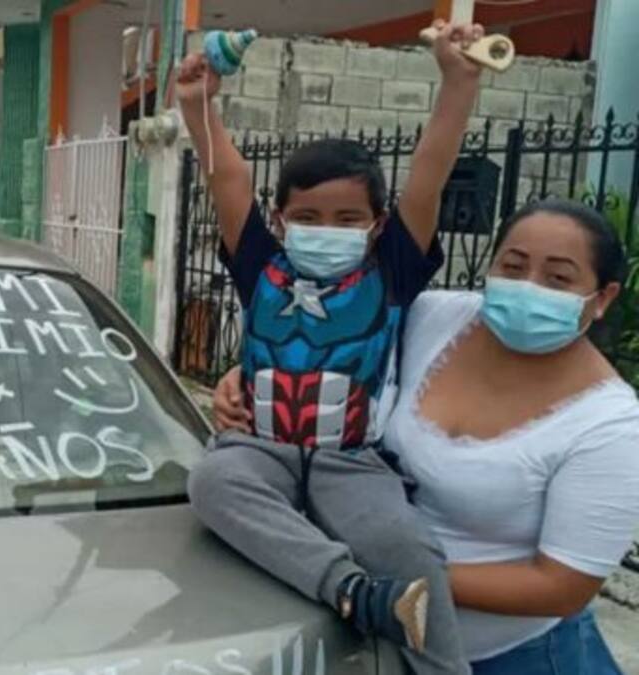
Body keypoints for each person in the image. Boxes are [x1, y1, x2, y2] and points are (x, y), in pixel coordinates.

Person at [211, 199, 639, 673]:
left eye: (558, 278)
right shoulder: (436, 318)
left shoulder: (608, 425)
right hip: (376, 638)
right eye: (513, 266)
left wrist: (394, 582)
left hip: (519, 658)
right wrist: (245, 376)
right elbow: (333, 352)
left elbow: (562, 585)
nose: (528, 287)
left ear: (603, 297)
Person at [178, 20, 485, 675]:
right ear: (281, 218)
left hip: (352, 457)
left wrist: (458, 85)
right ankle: (352, 591)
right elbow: (227, 178)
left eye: (348, 219)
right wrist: (198, 104)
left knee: (408, 545)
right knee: (212, 483)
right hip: (258, 445)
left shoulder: (391, 269)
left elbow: (430, 170)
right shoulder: (260, 263)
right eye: (309, 217)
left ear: (376, 223)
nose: (328, 229)